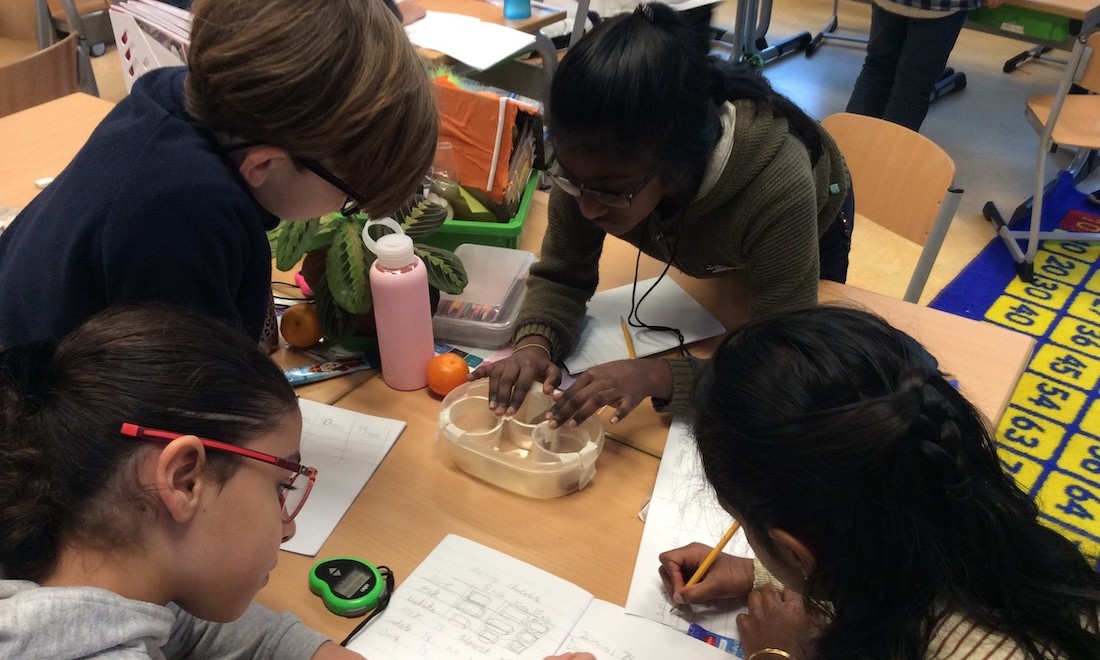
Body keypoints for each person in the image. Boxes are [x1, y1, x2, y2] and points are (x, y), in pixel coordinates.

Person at [471, 2, 853, 428]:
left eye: (611, 191)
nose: (586, 206)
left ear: (677, 166)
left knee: (818, 357)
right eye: (571, 180)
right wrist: (534, 345)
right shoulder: (589, 163)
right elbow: (563, 274)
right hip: (718, 238)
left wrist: (662, 375)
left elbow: (786, 362)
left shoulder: (779, 187)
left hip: (814, 215)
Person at [652, 306, 1100, 659]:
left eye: (746, 528)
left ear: (799, 552)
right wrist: (757, 571)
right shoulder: (969, 518)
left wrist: (774, 655)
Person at [0, 0, 437, 348]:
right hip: (33, 429)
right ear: (264, 164)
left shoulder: (182, 99)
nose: (345, 210)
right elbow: (187, 407)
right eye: (349, 198)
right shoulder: (182, 213)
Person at [0, 305, 365, 658]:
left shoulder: (49, 575)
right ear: (183, 479)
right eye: (281, 487)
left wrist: (300, 649)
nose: (289, 529)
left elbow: (174, 623)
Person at [846, 0, 1006, 131]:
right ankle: (889, 163)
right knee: (913, 84)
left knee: (878, 69)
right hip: (940, 6)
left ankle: (845, 158)